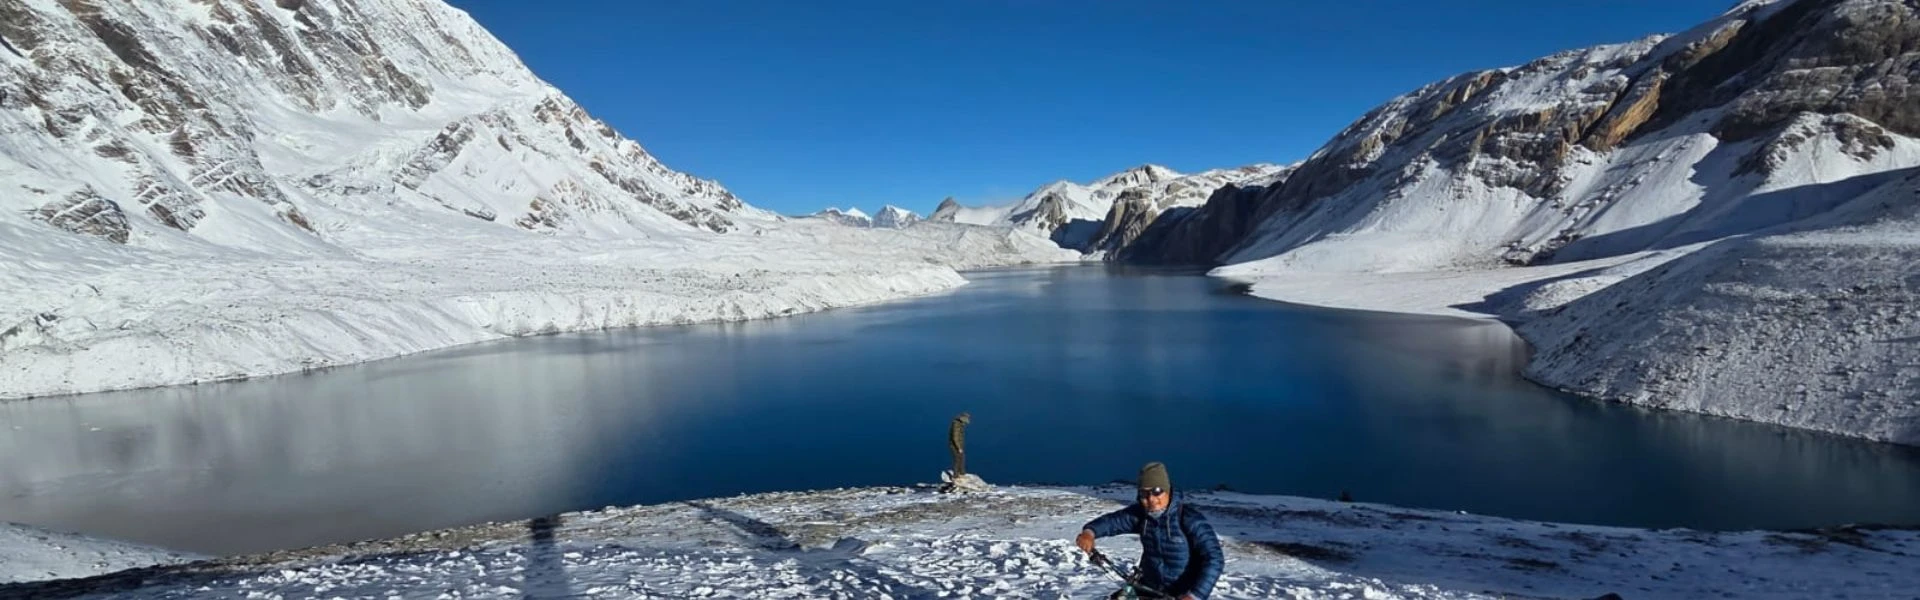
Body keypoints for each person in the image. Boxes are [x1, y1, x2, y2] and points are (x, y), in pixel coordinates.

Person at [1075, 462, 1223, 600]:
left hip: (1182, 594)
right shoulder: (1141, 515)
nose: (1151, 499)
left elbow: (1214, 558)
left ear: (1167, 490)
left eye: (1156, 491)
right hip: (1147, 587)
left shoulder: (1189, 519)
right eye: (1144, 494)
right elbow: (1113, 522)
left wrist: (1196, 595)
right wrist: (1089, 532)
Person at [948, 411, 970, 477]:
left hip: (958, 445)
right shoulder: (956, 425)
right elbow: (955, 437)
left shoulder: (959, 424)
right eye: (965, 421)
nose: (965, 423)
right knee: (957, 459)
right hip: (954, 445)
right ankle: (956, 475)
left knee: (962, 458)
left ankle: (961, 472)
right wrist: (959, 448)